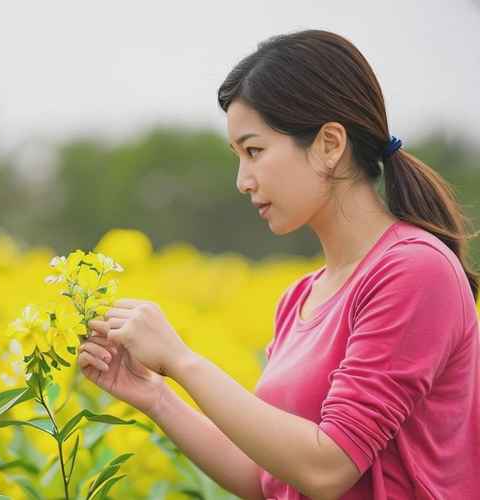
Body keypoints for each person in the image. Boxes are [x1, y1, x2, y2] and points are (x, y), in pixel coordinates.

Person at [79, 29, 480, 499]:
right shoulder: (300, 299)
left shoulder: (413, 270)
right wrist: (153, 394)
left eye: (254, 152)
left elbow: (329, 467)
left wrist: (181, 360)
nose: (242, 181)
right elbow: (268, 480)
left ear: (330, 144)